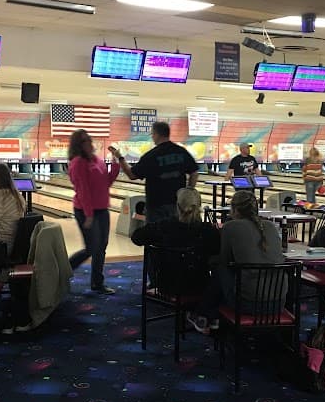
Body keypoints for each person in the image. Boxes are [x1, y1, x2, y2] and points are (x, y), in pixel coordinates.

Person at [187, 190, 284, 334]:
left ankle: (203, 314)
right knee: (234, 275)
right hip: (279, 304)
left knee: (220, 269)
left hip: (248, 305)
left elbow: (223, 260)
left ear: (235, 209)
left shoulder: (230, 227)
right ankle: (212, 316)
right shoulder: (270, 226)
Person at [131, 187, 220, 294]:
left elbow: (136, 237)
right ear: (199, 206)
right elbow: (218, 254)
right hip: (200, 285)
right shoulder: (208, 230)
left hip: (168, 286)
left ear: (177, 206)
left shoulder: (164, 226)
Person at [109, 121, 198, 223]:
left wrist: (120, 157)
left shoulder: (151, 155)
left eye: (152, 134)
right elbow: (194, 172)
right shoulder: (181, 151)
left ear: (156, 134)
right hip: (177, 205)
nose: (152, 137)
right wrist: (188, 193)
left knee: (155, 237)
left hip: (156, 206)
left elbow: (132, 174)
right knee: (174, 236)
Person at [67, 128, 120, 295]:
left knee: (101, 247)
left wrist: (115, 162)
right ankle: (62, 271)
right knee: (91, 247)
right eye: (85, 141)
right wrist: (89, 215)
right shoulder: (78, 163)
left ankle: (97, 283)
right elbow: (83, 191)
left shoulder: (97, 160)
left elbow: (107, 181)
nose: (89, 143)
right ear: (78, 145)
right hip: (85, 210)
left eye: (89, 139)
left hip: (102, 209)